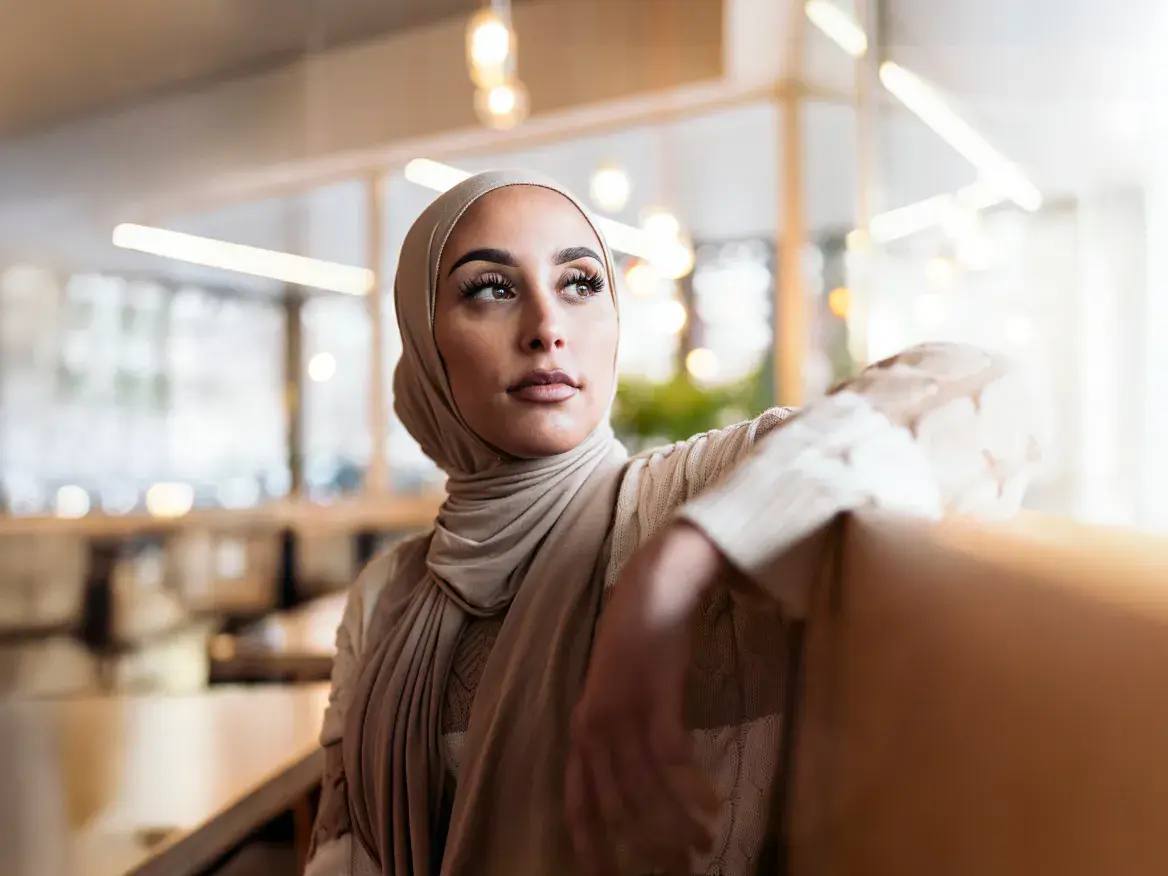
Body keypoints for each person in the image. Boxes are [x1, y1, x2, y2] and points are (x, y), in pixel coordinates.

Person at [304, 170, 1040, 876]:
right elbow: (344, 853)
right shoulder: (387, 597)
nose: (547, 327)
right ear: (426, 342)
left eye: (580, 283)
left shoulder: (700, 492)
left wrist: (677, 565)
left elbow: (988, 396)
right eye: (492, 289)